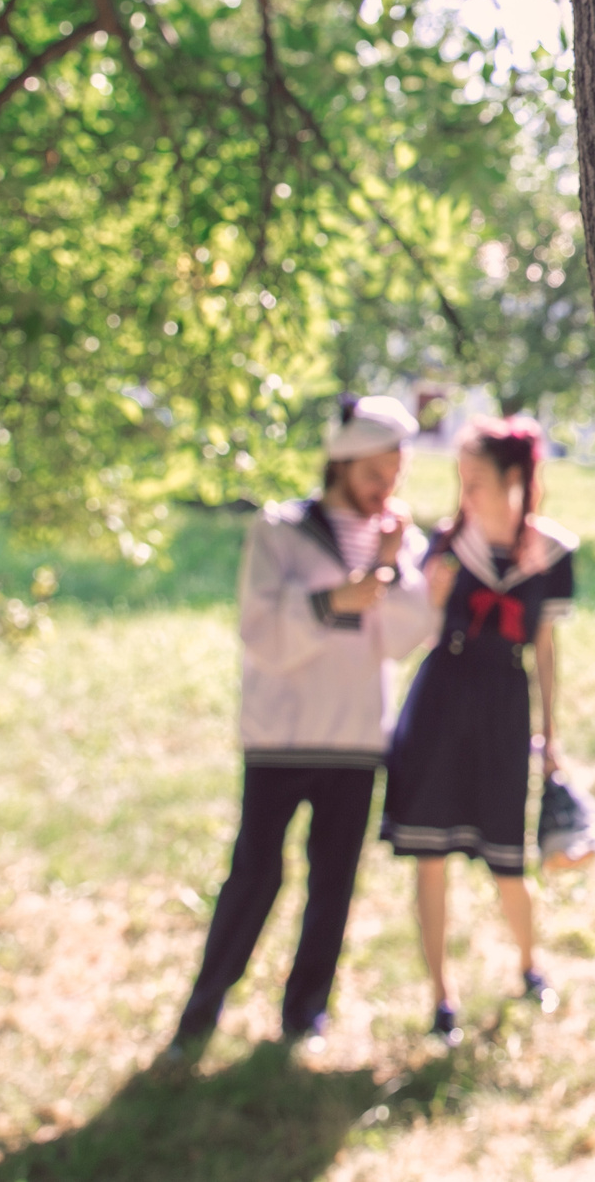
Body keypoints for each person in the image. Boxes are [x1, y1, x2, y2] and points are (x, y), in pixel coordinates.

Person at [163, 394, 437, 1062]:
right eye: (374, 474)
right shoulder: (279, 530)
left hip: (353, 737)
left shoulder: (401, 541)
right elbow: (259, 629)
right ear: (340, 464)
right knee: (255, 872)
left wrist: (393, 564)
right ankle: (204, 1006)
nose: (384, 490)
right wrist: (330, 600)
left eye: (394, 475)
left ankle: (304, 1011)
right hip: (280, 735)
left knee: (333, 879)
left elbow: (406, 635)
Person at [380, 416, 578, 1037]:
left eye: (478, 483)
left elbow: (544, 648)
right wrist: (431, 596)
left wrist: (551, 735)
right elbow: (416, 625)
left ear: (516, 478)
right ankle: (442, 997)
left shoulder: (552, 552)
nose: (466, 497)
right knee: (430, 852)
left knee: (507, 851)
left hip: (502, 702)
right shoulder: (447, 543)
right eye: (461, 482)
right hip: (443, 695)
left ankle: (529, 966)